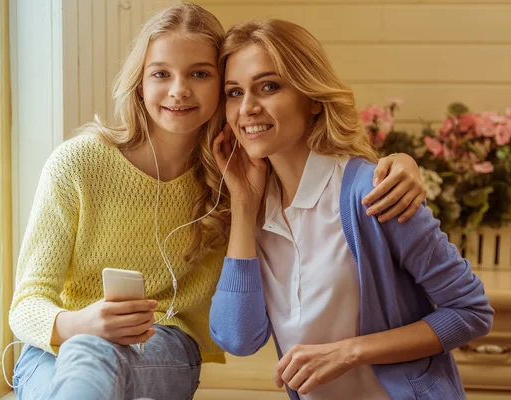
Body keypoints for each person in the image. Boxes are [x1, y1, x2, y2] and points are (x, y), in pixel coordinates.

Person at [8, 4, 426, 400]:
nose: (178, 91)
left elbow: (326, 166)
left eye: (199, 74)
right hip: (53, 350)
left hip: (164, 346)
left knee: (92, 355)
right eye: (160, 74)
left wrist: (403, 162)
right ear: (139, 82)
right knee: (85, 354)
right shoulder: (79, 163)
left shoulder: (239, 173)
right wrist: (79, 323)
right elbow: (26, 305)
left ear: (221, 86)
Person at [210, 19, 494, 400]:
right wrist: (244, 208)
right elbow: (238, 338)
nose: (247, 108)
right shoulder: (254, 209)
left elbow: (470, 311)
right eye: (233, 92)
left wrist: (350, 352)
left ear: (312, 97)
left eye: (269, 86)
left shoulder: (373, 191)